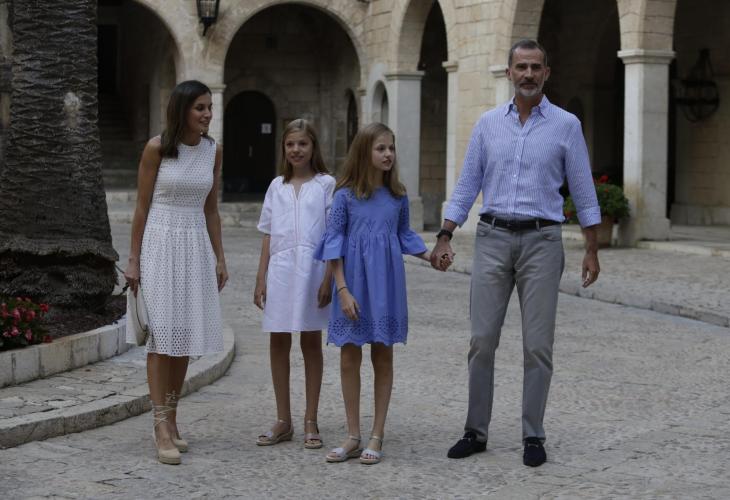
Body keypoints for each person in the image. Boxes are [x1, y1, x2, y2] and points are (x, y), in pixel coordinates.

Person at [432, 39, 601, 467]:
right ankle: (475, 431)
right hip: (492, 238)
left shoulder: (566, 126)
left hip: (543, 243)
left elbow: (583, 190)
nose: (528, 74)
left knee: (538, 345)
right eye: (521, 67)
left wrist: (591, 248)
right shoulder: (488, 124)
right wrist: (446, 234)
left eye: (535, 67)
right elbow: (467, 184)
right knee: (481, 340)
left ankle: (533, 435)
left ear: (547, 73)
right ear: (509, 73)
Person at [124, 80, 228, 465]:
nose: (207, 114)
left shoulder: (213, 151)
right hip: (160, 242)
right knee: (162, 335)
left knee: (183, 336)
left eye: (209, 107)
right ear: (182, 109)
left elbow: (211, 209)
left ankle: (172, 416)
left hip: (194, 244)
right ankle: (159, 426)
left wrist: (220, 257)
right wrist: (133, 259)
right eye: (200, 107)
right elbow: (141, 207)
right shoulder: (157, 148)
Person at [315, 122, 431, 465]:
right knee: (349, 356)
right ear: (364, 152)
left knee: (383, 356)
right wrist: (342, 290)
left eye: (391, 148)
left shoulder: (398, 196)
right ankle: (353, 435)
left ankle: (377, 434)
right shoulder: (345, 196)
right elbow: (333, 244)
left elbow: (405, 236)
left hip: (386, 286)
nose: (388, 154)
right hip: (351, 284)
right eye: (381, 148)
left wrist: (432, 257)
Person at [254, 119, 334, 449]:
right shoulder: (277, 186)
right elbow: (268, 233)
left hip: (313, 270)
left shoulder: (326, 184)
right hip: (281, 270)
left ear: (313, 146)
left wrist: (329, 277)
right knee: (278, 340)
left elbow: (333, 233)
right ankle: (283, 419)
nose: (296, 150)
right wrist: (261, 277)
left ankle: (310, 418)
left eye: (302, 143)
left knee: (311, 341)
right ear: (283, 148)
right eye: (290, 144)